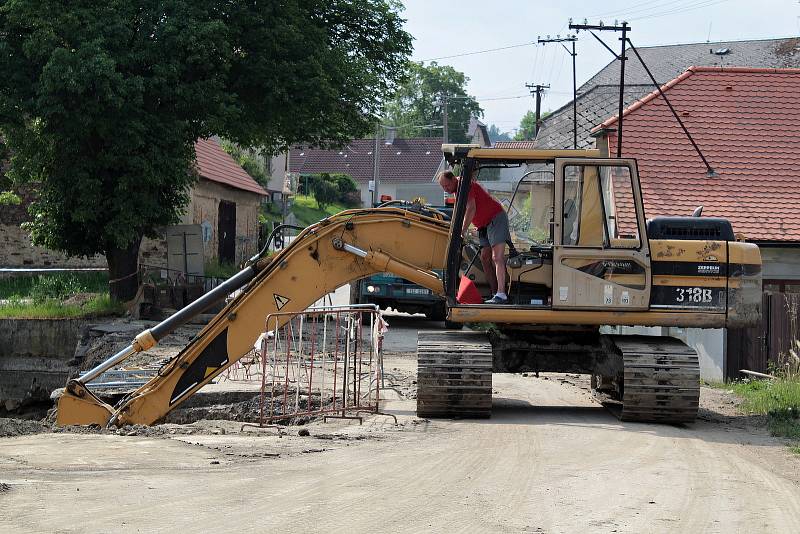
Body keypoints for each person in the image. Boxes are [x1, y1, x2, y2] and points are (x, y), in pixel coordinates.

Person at [438, 169, 512, 304]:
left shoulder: (465, 185)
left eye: (447, 185)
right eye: (443, 187)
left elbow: (471, 208)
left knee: (497, 257)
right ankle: (494, 293)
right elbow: (459, 212)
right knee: (485, 258)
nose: (445, 189)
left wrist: (463, 230)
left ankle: (502, 294)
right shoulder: (456, 191)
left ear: (454, 179)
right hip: (484, 226)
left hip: (495, 218)